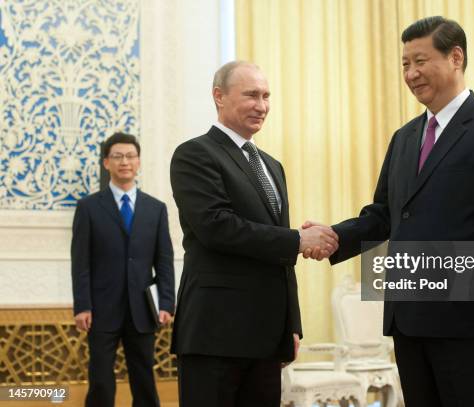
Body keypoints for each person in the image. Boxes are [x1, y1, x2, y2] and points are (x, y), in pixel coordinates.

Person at [304, 16, 474, 406]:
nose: (411, 74)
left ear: (456, 58)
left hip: (470, 320)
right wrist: (334, 236)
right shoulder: (405, 138)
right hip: (409, 317)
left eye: (420, 61)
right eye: (404, 64)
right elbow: (383, 215)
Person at [169, 61, 338, 407]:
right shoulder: (194, 154)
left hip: (265, 337)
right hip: (215, 333)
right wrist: (296, 240)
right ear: (219, 96)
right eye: (251, 95)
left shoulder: (272, 166)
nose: (261, 105)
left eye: (266, 96)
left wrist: (292, 325)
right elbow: (217, 227)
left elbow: (280, 261)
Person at [71, 132, 175, 407]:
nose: (124, 162)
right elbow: (80, 262)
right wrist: (82, 305)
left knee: (144, 379)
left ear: (138, 162)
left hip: (142, 309)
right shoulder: (88, 207)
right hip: (101, 309)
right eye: (117, 156)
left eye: (130, 156)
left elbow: (164, 260)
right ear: (106, 163)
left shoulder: (156, 209)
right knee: (101, 380)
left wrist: (167, 302)